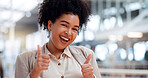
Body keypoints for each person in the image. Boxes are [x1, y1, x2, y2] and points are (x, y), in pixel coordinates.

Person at [15, 0, 102, 78]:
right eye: (64, 25)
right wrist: (34, 74)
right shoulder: (25, 59)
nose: (69, 32)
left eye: (74, 29)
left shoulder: (86, 55)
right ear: (50, 25)